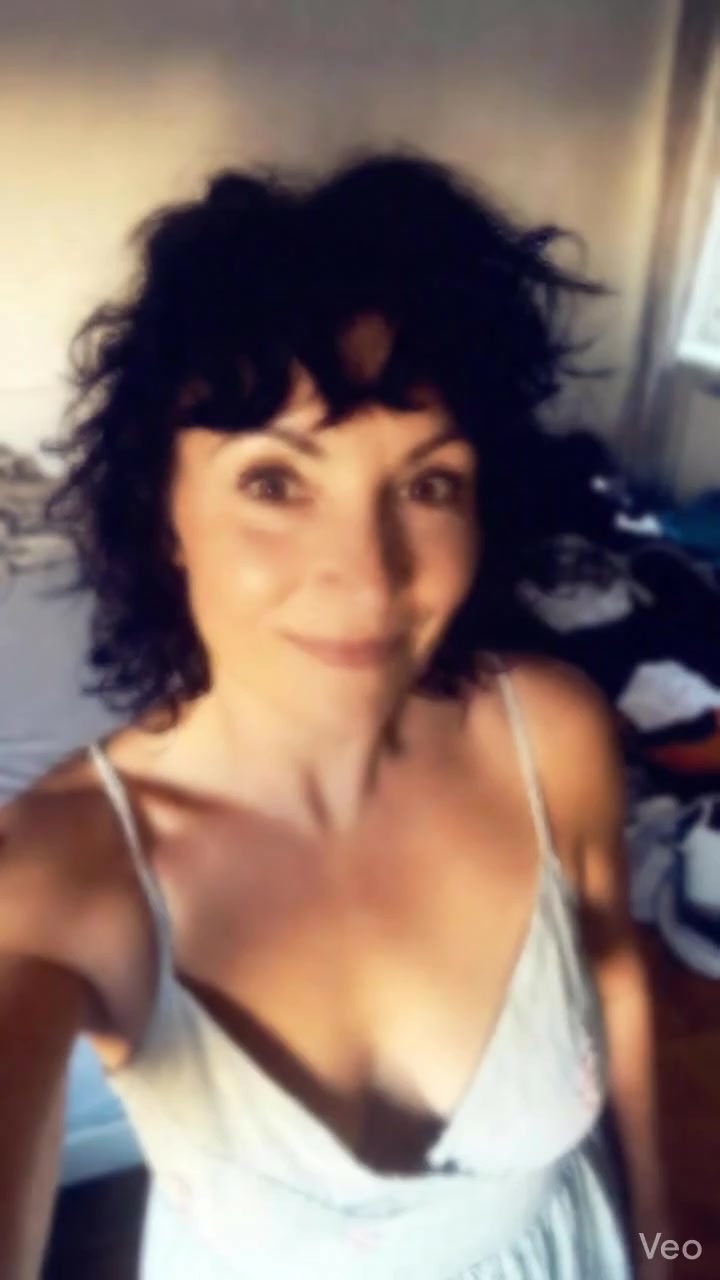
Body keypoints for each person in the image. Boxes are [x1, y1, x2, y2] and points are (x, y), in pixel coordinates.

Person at [0, 151, 667, 1279]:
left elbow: (619, 981)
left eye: (427, 483)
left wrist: (670, 1245)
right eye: (274, 482)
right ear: (163, 514)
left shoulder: (550, 734)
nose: (369, 577)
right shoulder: (60, 874)